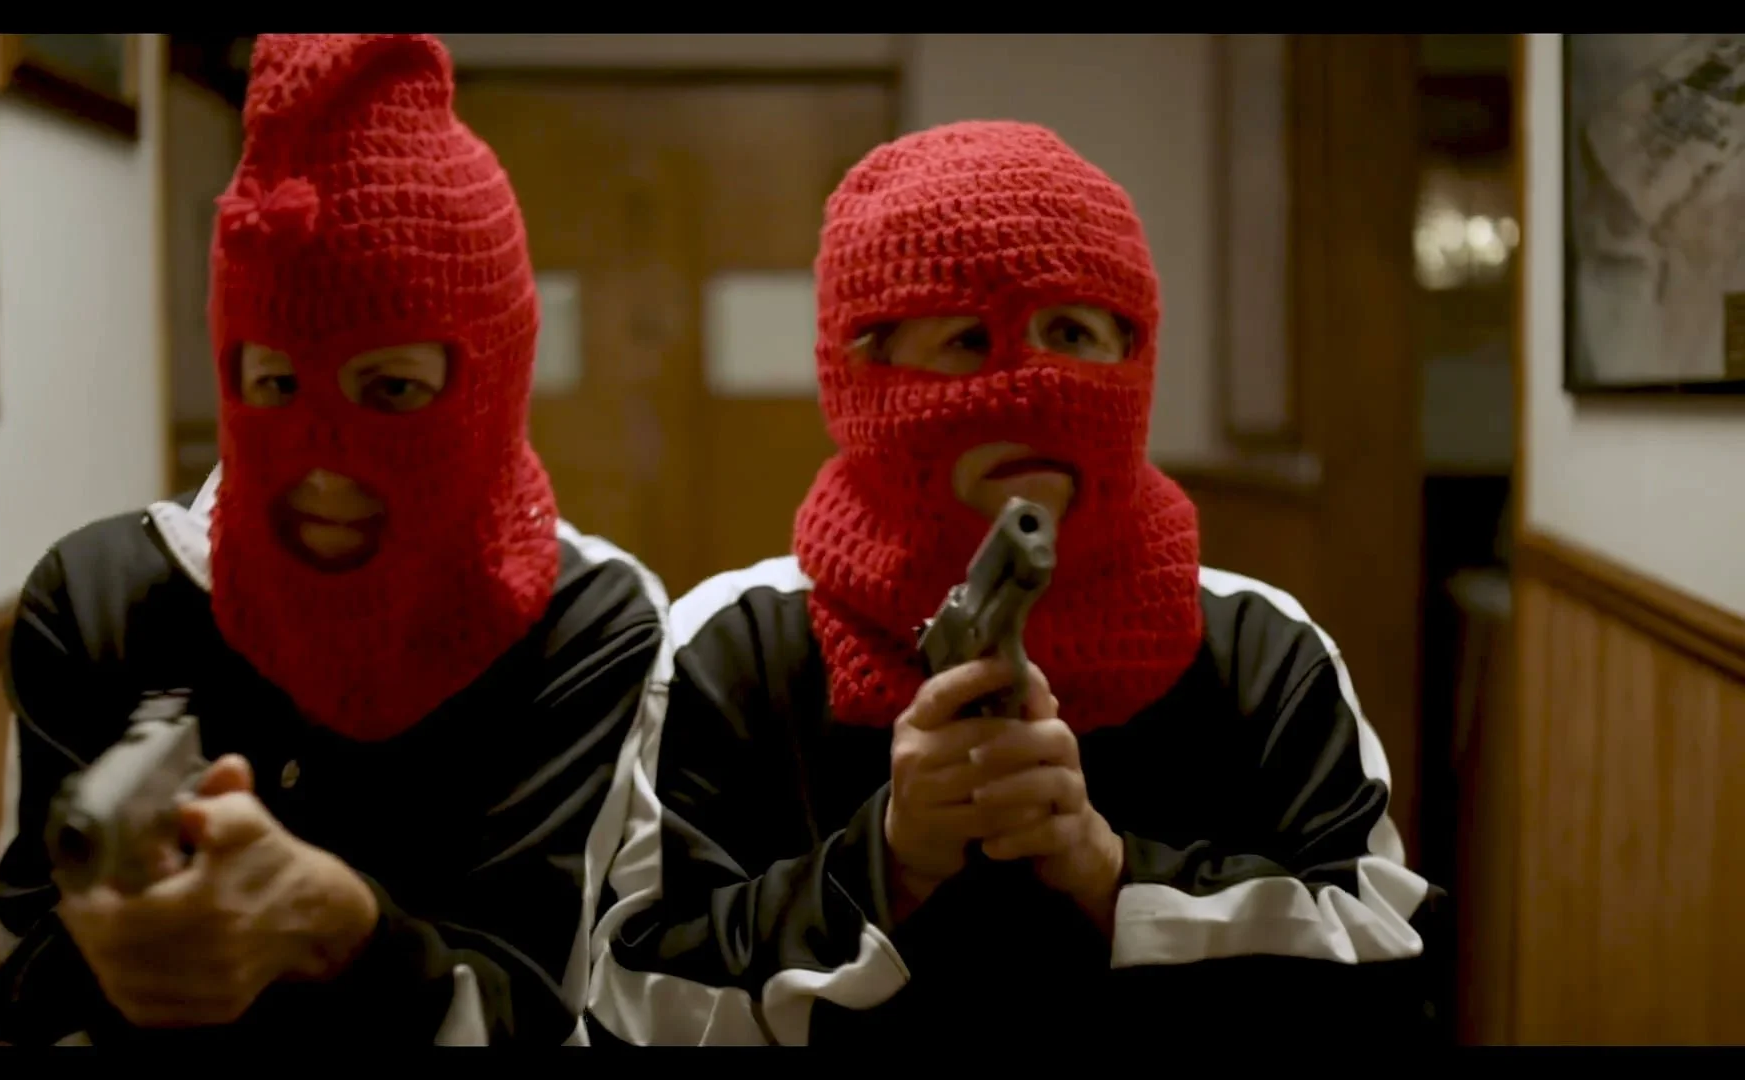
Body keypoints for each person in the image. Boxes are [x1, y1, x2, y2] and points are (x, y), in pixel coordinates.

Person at [586, 120, 1447, 1046]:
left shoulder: (1264, 651)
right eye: (966, 338)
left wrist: (1114, 877)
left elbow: (1389, 977)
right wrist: (884, 867)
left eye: (1071, 332)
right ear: (864, 371)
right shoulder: (731, 649)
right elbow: (634, 1004)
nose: (1033, 385)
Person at [0, 34, 668, 1047]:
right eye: (277, 384)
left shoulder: (586, 622)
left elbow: (549, 1002)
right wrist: (122, 947)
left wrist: (350, 939)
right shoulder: (101, 596)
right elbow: (22, 987)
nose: (325, 466)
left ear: (485, 387)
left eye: (391, 389)